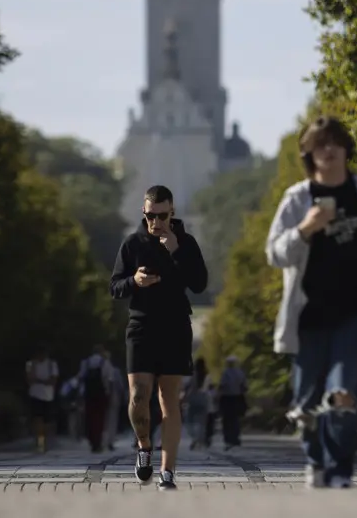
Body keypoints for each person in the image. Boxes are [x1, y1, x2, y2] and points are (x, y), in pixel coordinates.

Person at [267, 116, 357, 489]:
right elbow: (275, 253)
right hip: (309, 314)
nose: (328, 150)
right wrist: (305, 229)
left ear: (346, 150)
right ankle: (316, 459)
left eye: (335, 143)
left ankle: (340, 467)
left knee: (345, 394)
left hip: (355, 311)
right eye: (319, 145)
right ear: (309, 154)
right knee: (308, 400)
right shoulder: (297, 198)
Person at [109, 184, 209, 491]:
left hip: (175, 327)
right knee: (138, 396)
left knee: (169, 401)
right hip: (141, 325)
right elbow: (114, 287)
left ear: (172, 212)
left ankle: (168, 472)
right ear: (144, 212)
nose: (156, 222)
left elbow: (201, 284)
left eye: (162, 215)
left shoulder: (187, 243)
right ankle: (143, 447)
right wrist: (134, 281)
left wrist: (176, 250)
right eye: (151, 215)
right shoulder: (132, 243)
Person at [77, 346, 114, 452]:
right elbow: (110, 378)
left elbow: (81, 377)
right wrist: (109, 393)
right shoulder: (105, 362)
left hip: (88, 393)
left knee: (89, 417)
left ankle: (92, 440)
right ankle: (98, 441)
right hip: (101, 393)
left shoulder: (86, 362)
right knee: (100, 418)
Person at [26, 347, 59, 453]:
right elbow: (29, 378)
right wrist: (44, 381)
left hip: (48, 396)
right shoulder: (31, 364)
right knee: (37, 419)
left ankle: (46, 439)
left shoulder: (51, 364)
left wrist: (38, 380)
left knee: (47, 421)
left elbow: (53, 380)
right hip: (35, 395)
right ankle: (40, 442)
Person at [217, 356, 247, 449]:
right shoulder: (240, 373)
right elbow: (244, 386)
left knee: (227, 419)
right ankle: (235, 438)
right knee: (235, 419)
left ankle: (228, 438)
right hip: (237, 397)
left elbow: (222, 385)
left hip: (227, 398)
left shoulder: (226, 373)